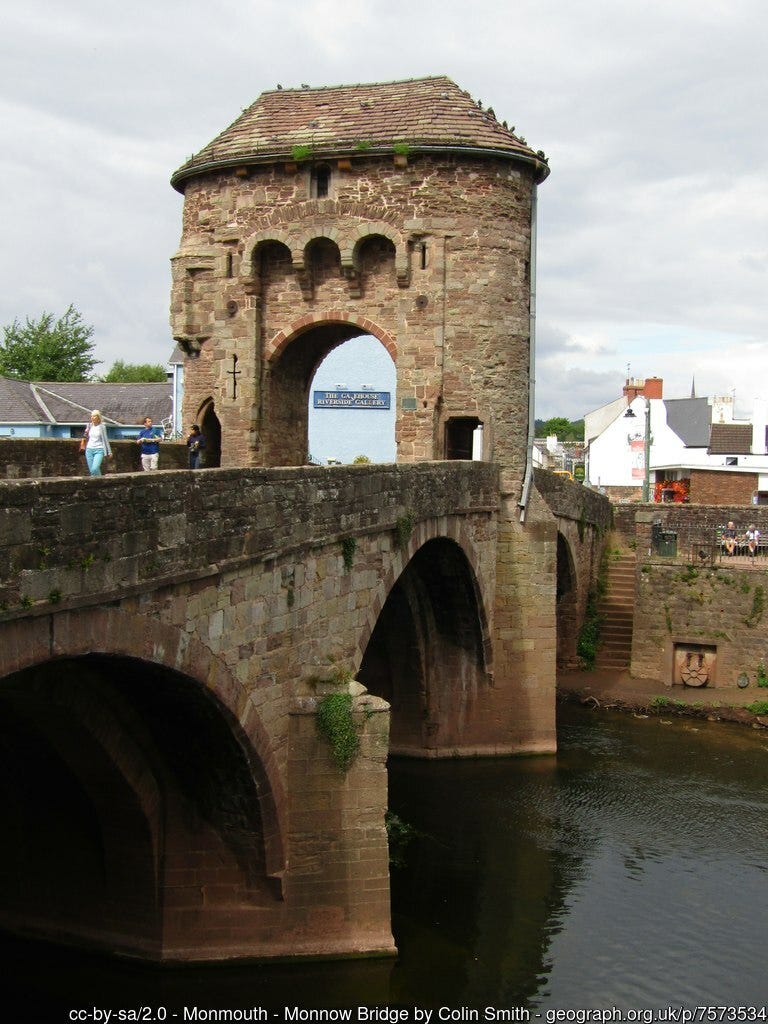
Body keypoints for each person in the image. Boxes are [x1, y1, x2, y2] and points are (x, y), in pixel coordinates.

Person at [81, 410, 112, 477]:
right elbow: (85, 437)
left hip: (99, 449)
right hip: (89, 449)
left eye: (94, 416)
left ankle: (100, 481)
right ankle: (99, 483)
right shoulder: (89, 425)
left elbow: (105, 439)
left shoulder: (102, 427)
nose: (92, 418)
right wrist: (86, 432)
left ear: (98, 417)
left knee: (94, 468)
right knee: (92, 472)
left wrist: (109, 451)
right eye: (91, 416)